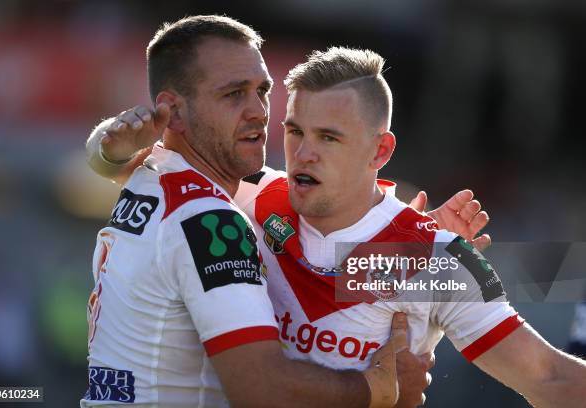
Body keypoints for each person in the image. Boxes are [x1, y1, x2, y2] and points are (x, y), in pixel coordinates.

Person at [89, 42, 586, 407]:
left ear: (381, 151)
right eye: (295, 131)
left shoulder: (437, 258)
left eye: (329, 138)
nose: (304, 153)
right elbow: (149, 176)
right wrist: (103, 150)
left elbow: (549, 379)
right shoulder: (260, 196)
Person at [81, 16, 439, 408]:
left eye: (262, 91)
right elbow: (263, 391)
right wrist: (381, 389)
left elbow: (109, 156)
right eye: (234, 94)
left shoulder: (152, 175)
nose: (259, 111)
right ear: (174, 113)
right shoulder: (211, 220)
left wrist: (410, 228)